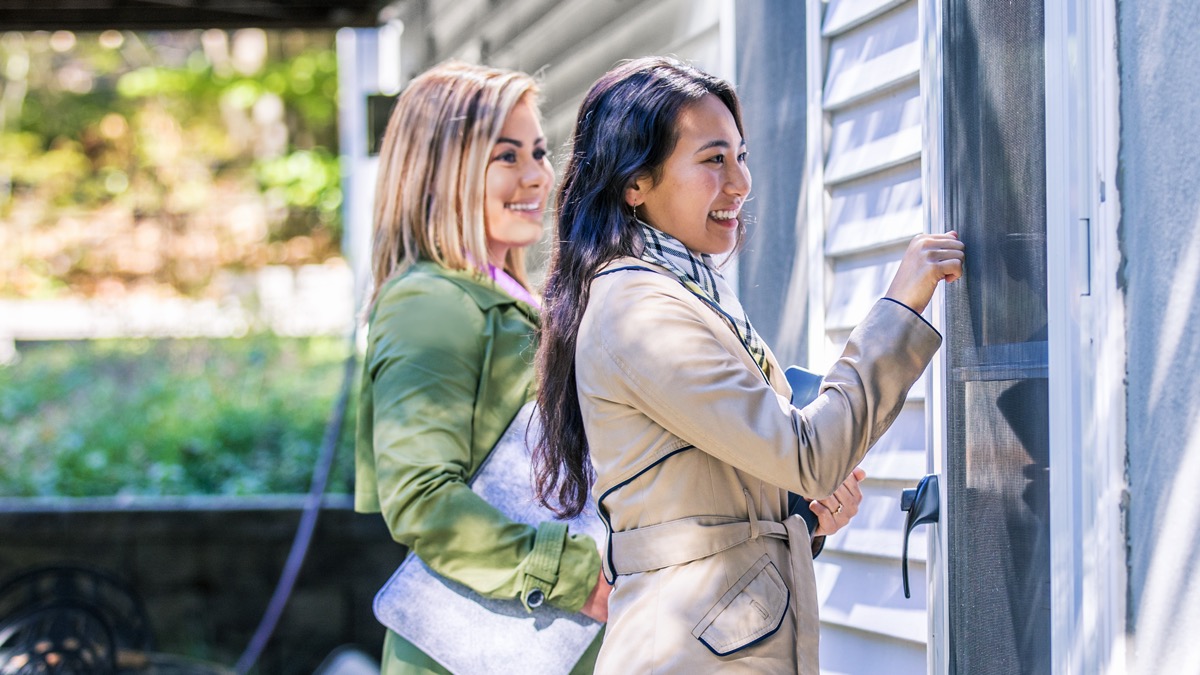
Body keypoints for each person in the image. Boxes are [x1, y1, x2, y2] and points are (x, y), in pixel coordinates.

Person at [533, 57, 964, 673]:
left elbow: (722, 491)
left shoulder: (689, 293)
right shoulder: (640, 309)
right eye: (714, 160)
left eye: (741, 156)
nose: (740, 183)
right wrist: (901, 307)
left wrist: (801, 513)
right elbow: (809, 456)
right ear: (636, 184)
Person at [353, 61, 611, 675]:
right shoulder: (430, 305)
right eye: (506, 156)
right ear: (442, 171)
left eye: (539, 152)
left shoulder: (512, 299)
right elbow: (421, 500)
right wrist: (578, 577)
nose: (537, 176)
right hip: (466, 655)